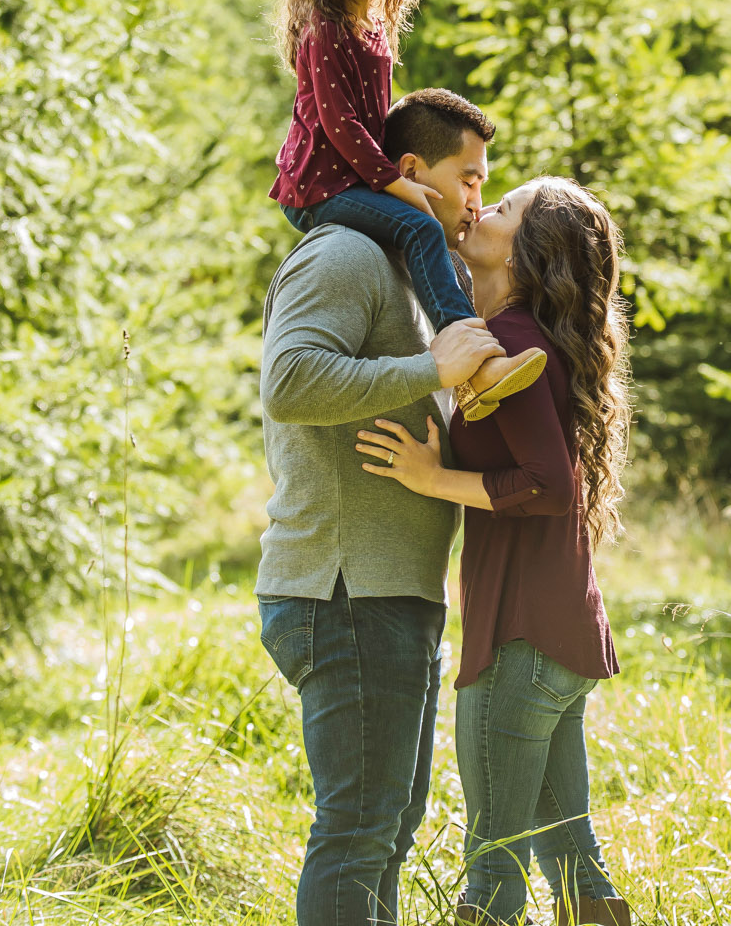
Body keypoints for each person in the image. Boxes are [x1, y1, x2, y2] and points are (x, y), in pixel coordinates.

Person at [257, 88, 513, 926]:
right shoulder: (345, 256)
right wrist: (429, 374)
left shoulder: (408, 272)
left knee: (391, 828)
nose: (478, 199)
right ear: (410, 173)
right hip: (342, 592)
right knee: (360, 830)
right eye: (468, 179)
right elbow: (291, 382)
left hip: (388, 594)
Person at [355, 178, 633, 926]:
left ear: (530, 252)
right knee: (576, 864)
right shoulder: (517, 342)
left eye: (503, 208)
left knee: (493, 873)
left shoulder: (515, 343)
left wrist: (431, 476)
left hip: (519, 640)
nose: (482, 208)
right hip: (560, 638)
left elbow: (547, 485)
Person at [269, 0, 544, 420]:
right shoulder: (324, 31)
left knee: (426, 234)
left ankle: (470, 375)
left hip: (355, 177)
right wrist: (399, 185)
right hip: (319, 187)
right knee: (419, 225)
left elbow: (378, 119)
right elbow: (342, 124)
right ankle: (472, 360)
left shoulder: (370, 26)